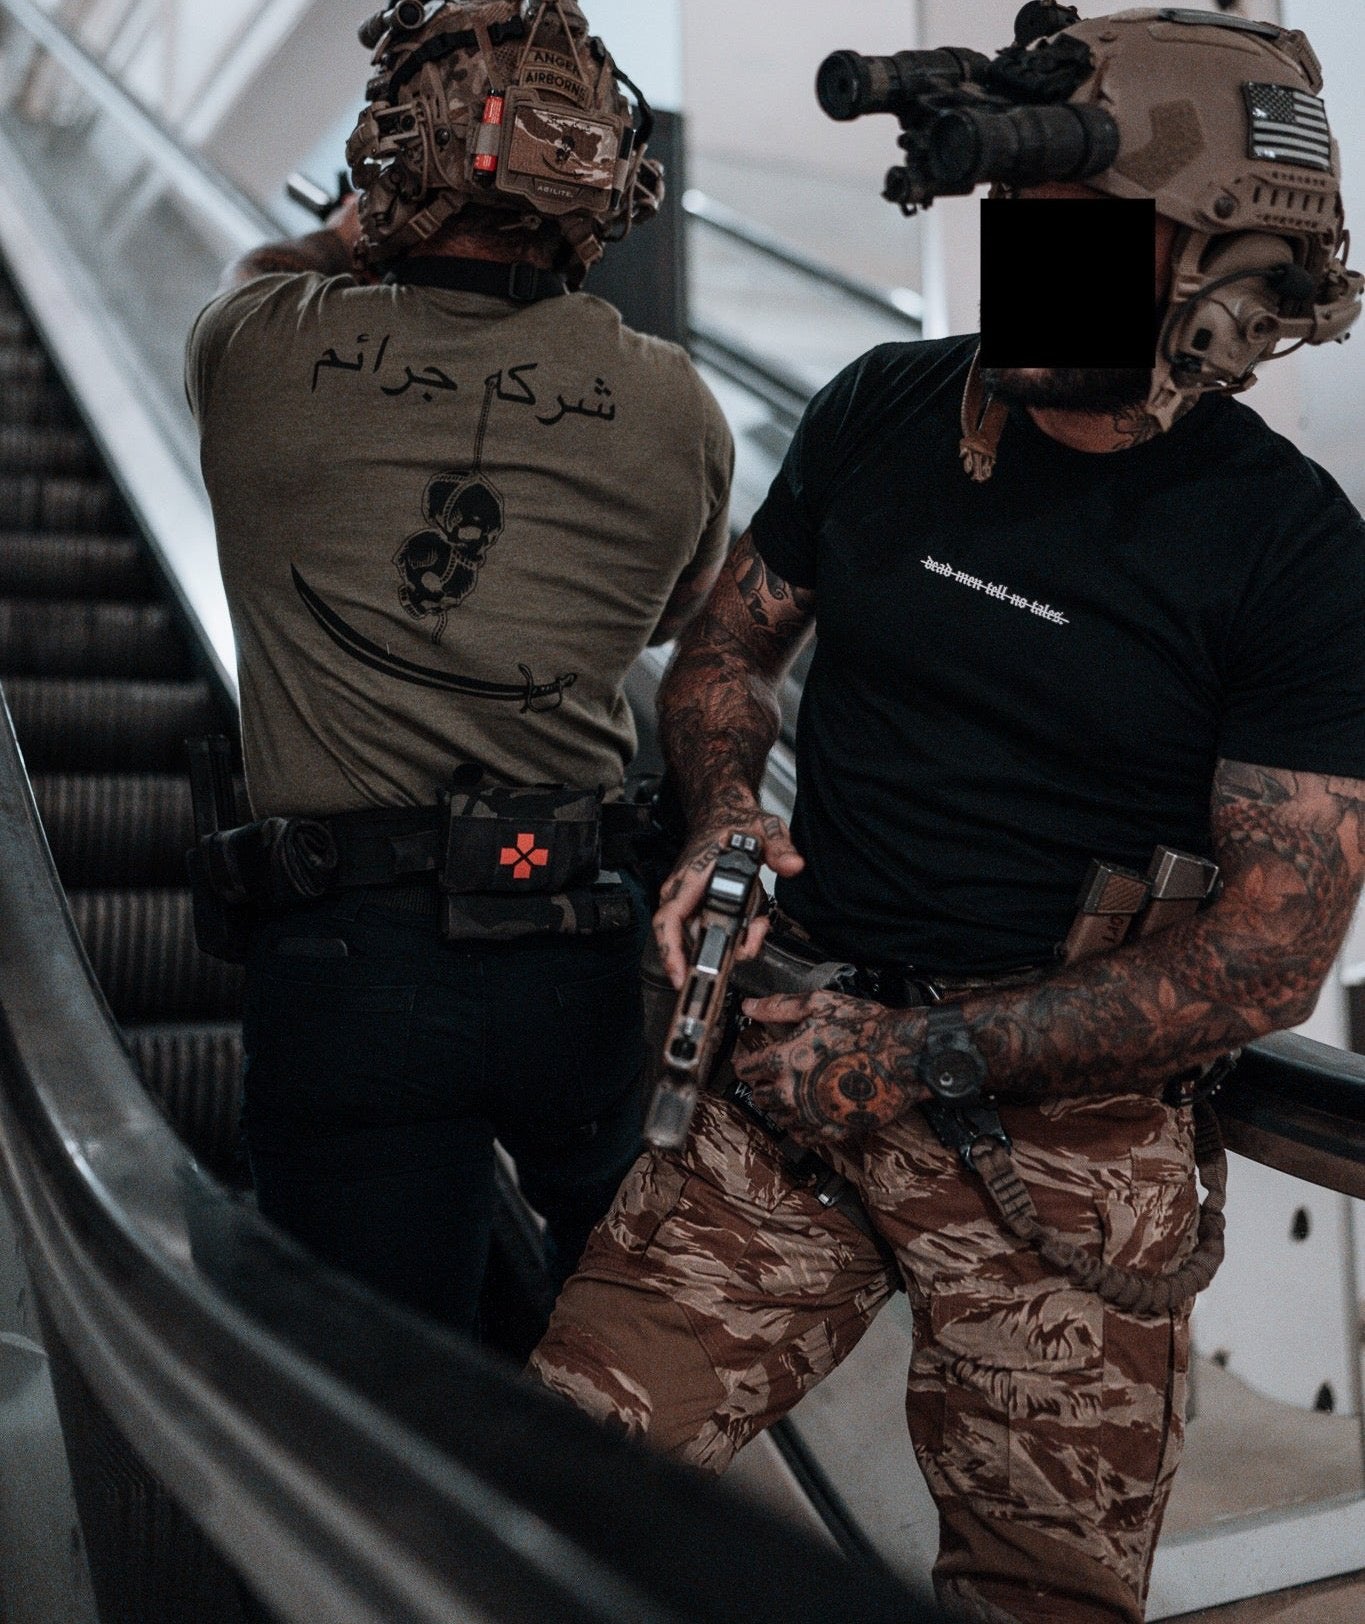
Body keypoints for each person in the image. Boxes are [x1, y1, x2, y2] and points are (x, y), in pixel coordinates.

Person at [530, 10, 1365, 1621]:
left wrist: (916, 1060)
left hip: (1066, 1151)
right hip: (787, 1084)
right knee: (542, 1490)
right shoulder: (885, 409)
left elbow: (1268, 957)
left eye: (1086, 244)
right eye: (1018, 232)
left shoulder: (1289, 552)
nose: (1026, 281)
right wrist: (719, 817)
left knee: (1035, 1598)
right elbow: (724, 650)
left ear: (1217, 279)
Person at [183, 0, 733, 1337]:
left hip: (348, 958)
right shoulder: (675, 405)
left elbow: (269, 267)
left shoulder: (260, 347)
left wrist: (360, 229)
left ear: (391, 155)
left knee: (376, 1375)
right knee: (621, 1347)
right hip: (578, 943)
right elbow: (672, 617)